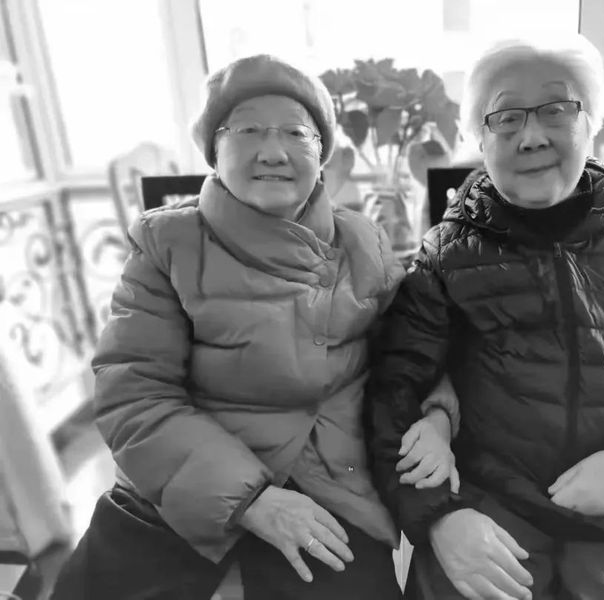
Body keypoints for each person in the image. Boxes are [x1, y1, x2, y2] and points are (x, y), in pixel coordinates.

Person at [51, 54, 458, 600]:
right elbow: (134, 392)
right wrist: (252, 501)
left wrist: (437, 414)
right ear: (214, 151)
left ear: (322, 152)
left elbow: (412, 349)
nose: (273, 151)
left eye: (296, 132)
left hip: (329, 479)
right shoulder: (167, 244)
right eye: (247, 130)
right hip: (185, 479)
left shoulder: (364, 242)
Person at [367, 35, 604, 600]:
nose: (531, 136)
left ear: (590, 122)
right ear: (479, 136)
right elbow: (393, 390)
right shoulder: (446, 255)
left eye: (556, 110)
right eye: (506, 117)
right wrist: (438, 517)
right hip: (496, 505)